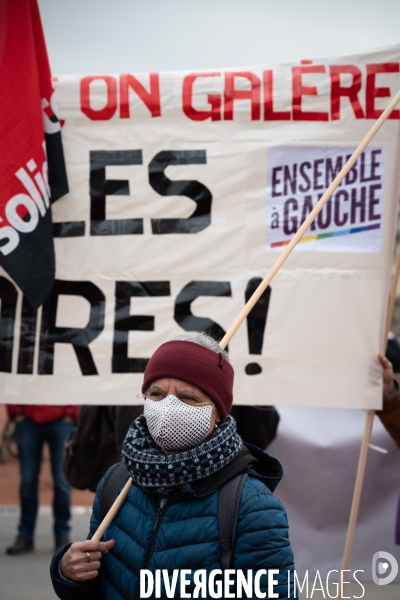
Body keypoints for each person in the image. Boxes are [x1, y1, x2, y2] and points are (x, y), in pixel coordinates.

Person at [50, 333, 295, 599]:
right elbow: (100, 585)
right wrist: (68, 573)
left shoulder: (252, 505)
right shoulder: (117, 481)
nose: (168, 407)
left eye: (188, 397)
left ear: (218, 412)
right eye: (156, 393)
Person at [6, 403, 79, 555]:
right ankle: (25, 535)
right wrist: (15, 413)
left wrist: (71, 412)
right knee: (27, 481)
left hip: (61, 420)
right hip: (27, 419)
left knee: (62, 482)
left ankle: (62, 536)